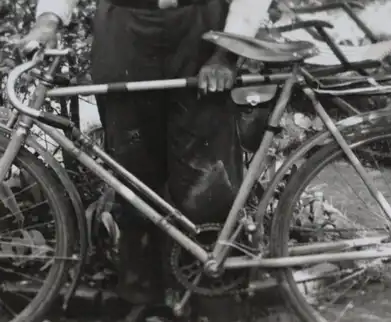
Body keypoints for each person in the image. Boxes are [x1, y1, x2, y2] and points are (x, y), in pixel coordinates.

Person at [19, 0, 273, 320]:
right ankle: (142, 298)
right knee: (132, 175)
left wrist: (229, 51)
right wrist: (47, 19)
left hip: (202, 30)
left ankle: (216, 300)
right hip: (125, 29)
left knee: (208, 180)